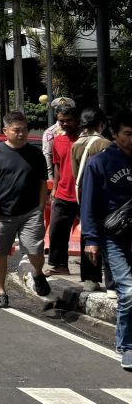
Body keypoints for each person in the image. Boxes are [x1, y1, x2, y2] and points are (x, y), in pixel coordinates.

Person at [0, 111, 51, 308]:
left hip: (30, 212)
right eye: (17, 130)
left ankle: (37, 272)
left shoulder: (35, 154)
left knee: (35, 250)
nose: (21, 134)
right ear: (5, 131)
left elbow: (43, 182)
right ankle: (1, 292)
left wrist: (41, 206)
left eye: (24, 130)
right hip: (1, 214)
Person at [79, 110, 132, 371]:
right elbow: (89, 203)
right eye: (128, 134)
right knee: (129, 291)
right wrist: (91, 239)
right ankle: (127, 346)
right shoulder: (100, 163)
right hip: (114, 238)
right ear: (115, 134)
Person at [72, 108, 115, 296]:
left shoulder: (76, 145)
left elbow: (75, 175)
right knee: (109, 237)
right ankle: (112, 282)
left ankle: (90, 279)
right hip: (104, 196)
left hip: (83, 193)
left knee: (88, 235)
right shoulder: (105, 143)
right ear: (102, 124)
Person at [47, 102, 87, 279]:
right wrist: (55, 188)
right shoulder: (57, 140)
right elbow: (57, 165)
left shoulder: (87, 141)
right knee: (57, 231)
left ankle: (91, 271)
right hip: (63, 193)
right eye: (60, 121)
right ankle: (60, 265)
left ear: (78, 120)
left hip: (85, 194)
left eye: (68, 120)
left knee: (89, 233)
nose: (64, 124)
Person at [41, 97, 76, 172]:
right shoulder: (50, 132)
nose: (65, 123)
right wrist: (51, 178)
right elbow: (47, 156)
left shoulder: (78, 131)